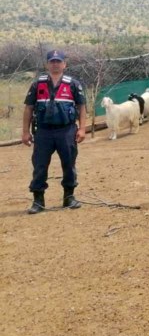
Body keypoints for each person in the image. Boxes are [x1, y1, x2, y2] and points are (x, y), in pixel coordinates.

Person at [21, 49, 87, 214]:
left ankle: (69, 197)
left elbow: (82, 107)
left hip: (66, 131)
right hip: (43, 132)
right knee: (40, 165)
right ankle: (38, 201)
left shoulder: (73, 84)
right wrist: (25, 132)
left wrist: (83, 128)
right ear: (47, 64)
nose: (55, 64)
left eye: (59, 61)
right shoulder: (37, 84)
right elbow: (28, 108)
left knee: (69, 164)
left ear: (64, 64)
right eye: (52, 61)